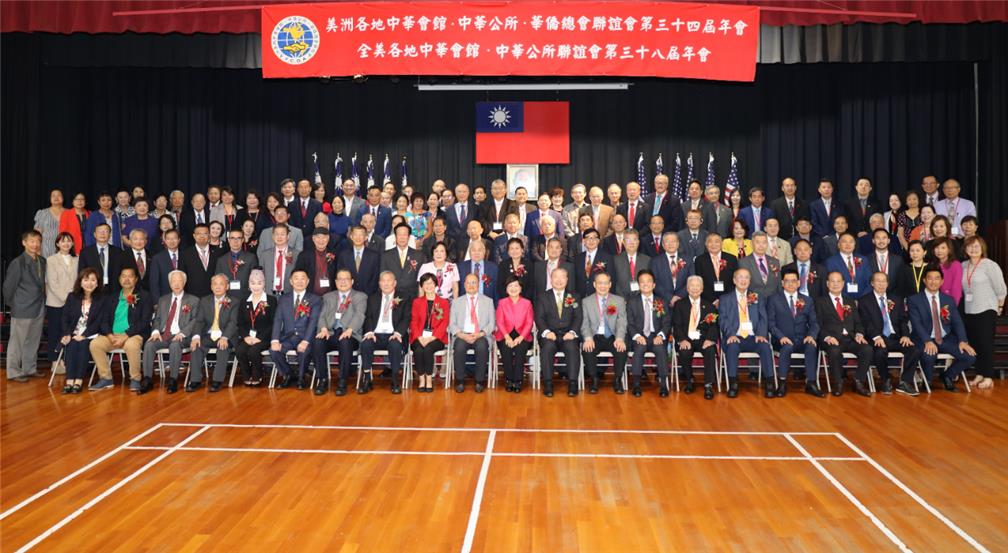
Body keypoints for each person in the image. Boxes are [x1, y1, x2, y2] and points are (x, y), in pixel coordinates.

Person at [907, 266, 977, 392]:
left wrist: (962, 340)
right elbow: (916, 324)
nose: (933, 282)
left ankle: (946, 376)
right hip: (924, 338)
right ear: (924, 280)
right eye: (930, 278)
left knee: (969, 356)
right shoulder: (914, 300)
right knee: (929, 356)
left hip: (945, 338)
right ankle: (927, 380)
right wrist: (927, 341)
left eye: (937, 279)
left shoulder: (948, 300)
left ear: (942, 281)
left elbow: (957, 322)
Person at [90, 266, 151, 391]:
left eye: (130, 276)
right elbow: (104, 320)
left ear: (135, 279)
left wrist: (126, 335)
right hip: (113, 335)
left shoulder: (144, 296)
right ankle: (106, 378)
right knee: (95, 344)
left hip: (133, 335)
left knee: (131, 345)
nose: (127, 279)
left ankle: (135, 379)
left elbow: (144, 321)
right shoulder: (111, 298)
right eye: (124, 276)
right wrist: (110, 335)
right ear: (119, 279)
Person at [139, 270, 201, 394]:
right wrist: (156, 331)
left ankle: (173, 379)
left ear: (184, 282)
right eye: (173, 281)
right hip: (164, 335)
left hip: (182, 336)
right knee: (149, 344)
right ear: (169, 283)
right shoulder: (163, 300)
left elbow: (195, 320)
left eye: (179, 281)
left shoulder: (193, 300)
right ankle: (147, 379)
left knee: (174, 345)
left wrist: (182, 333)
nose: (176, 284)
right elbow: (157, 319)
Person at [859, 272, 920, 396]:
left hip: (895, 337)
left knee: (914, 349)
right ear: (872, 283)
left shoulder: (896, 299)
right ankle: (885, 380)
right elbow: (866, 322)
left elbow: (903, 319)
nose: (881, 284)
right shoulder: (864, 300)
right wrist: (876, 336)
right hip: (877, 337)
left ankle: (905, 383)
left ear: (888, 284)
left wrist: (905, 335)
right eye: (878, 281)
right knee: (880, 351)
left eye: (884, 281)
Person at [718, 268, 774, 398]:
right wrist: (730, 334)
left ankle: (770, 383)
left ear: (750, 280)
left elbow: (763, 318)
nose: (743, 280)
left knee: (765, 347)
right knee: (732, 347)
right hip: (735, 336)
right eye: (740, 277)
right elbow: (722, 319)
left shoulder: (757, 297)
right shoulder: (725, 298)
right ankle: (733, 383)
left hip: (753, 336)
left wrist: (761, 334)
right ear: (734, 280)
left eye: (746, 277)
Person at [815, 271, 873, 396]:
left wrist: (859, 333)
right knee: (835, 351)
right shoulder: (820, 302)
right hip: (832, 339)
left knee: (867, 349)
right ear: (827, 284)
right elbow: (817, 324)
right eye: (832, 281)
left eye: (838, 281)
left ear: (843, 283)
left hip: (850, 339)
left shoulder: (849, 301)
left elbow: (858, 322)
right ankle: (838, 383)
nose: (835, 284)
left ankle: (858, 381)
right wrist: (827, 337)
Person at [767, 269, 822, 397]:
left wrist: (811, 335)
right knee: (787, 347)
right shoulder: (774, 299)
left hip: (802, 339)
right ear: (782, 283)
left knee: (812, 346)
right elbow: (771, 323)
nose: (790, 284)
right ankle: (782, 383)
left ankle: (811, 383)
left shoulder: (807, 300)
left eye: (793, 281)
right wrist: (781, 337)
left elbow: (814, 323)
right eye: (787, 281)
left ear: (798, 283)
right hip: (781, 340)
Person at [961, 236, 1006, 390]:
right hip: (969, 310)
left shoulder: (990, 265)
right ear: (965, 249)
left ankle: (988, 376)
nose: (973, 249)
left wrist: (999, 307)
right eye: (970, 246)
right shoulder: (963, 266)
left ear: (982, 248)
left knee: (986, 344)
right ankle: (979, 373)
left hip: (987, 309)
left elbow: (1001, 288)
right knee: (975, 344)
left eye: (977, 246)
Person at [4, 230, 47, 382]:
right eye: (32, 241)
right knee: (17, 342)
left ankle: (29, 368)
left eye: (38, 241)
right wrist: (14, 305)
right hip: (22, 308)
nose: (35, 244)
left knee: (33, 340)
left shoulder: (42, 261)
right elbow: (8, 288)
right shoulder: (18, 263)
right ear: (24, 243)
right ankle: (14, 371)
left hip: (39, 307)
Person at [270, 269, 323, 390]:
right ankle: (288, 374)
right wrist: (274, 340)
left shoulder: (315, 299)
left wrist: (306, 341)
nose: (299, 281)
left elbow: (313, 321)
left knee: (304, 351)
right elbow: (278, 320)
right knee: (274, 351)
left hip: (305, 337)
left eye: (303, 278)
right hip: (288, 337)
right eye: (296, 278)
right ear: (291, 281)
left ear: (308, 281)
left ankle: (301, 377)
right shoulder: (283, 299)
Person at [534, 267, 583, 397]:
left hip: (568, 334)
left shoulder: (574, 296)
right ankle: (548, 383)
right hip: (549, 334)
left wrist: (572, 332)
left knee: (572, 347)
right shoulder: (543, 296)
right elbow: (539, 317)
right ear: (551, 279)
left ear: (567, 279)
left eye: (562, 277)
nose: (559, 280)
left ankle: (573, 383)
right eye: (556, 277)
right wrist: (546, 331)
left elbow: (578, 317)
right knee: (548, 348)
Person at [358, 271, 410, 394]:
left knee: (395, 345)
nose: (386, 283)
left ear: (394, 283)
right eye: (383, 281)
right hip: (375, 334)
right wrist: (369, 331)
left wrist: (398, 333)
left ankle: (395, 380)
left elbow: (406, 318)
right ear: (379, 283)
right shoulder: (372, 297)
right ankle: (367, 379)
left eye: (389, 280)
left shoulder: (404, 297)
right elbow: (368, 317)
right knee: (366, 344)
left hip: (394, 334)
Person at [186, 274, 238, 393]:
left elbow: (233, 322)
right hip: (209, 335)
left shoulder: (234, 302)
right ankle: (195, 380)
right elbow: (199, 321)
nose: (218, 287)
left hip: (226, 335)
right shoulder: (205, 301)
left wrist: (225, 337)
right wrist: (196, 336)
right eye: (215, 284)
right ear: (211, 286)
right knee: (196, 346)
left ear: (227, 286)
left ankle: (217, 381)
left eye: (221, 284)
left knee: (222, 347)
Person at [58, 268, 105, 394]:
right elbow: (65, 318)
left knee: (83, 345)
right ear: (80, 282)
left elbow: (99, 322)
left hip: (91, 334)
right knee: (72, 345)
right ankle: (69, 380)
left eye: (93, 280)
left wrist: (84, 335)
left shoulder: (102, 299)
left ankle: (78, 381)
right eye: (86, 280)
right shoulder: (72, 297)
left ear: (97, 283)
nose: (89, 283)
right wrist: (67, 334)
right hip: (73, 333)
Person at [579, 272, 628, 395]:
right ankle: (594, 379)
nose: (603, 286)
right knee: (588, 349)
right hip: (595, 335)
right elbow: (584, 322)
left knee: (621, 349)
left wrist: (620, 338)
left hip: (612, 335)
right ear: (595, 284)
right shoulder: (586, 301)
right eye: (600, 283)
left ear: (610, 284)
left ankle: (617, 380)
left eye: (606, 283)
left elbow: (622, 321)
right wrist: (588, 338)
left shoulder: (619, 300)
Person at [670, 275, 718, 398]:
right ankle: (689, 380)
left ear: (702, 288)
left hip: (703, 339)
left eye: (698, 286)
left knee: (710, 350)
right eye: (692, 285)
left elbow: (714, 325)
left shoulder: (709, 306)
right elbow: (676, 325)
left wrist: (710, 339)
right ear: (687, 288)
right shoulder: (679, 304)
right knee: (685, 352)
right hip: (686, 338)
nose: (695, 288)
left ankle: (708, 385)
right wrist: (682, 340)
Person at [625, 270, 670, 397]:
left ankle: (663, 384)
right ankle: (636, 384)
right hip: (639, 336)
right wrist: (638, 336)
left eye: (649, 281)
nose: (645, 284)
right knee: (639, 349)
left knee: (661, 349)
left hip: (656, 336)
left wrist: (660, 335)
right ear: (638, 285)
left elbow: (666, 322)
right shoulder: (632, 302)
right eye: (642, 282)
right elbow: (630, 323)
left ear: (654, 285)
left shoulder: (661, 301)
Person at [448, 273, 496, 393]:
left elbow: (492, 323)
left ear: (478, 284)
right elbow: (452, 324)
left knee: (481, 346)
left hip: (480, 334)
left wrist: (480, 334)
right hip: (462, 334)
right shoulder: (456, 302)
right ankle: (459, 380)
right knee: (459, 346)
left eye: (474, 282)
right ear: (464, 285)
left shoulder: (488, 301)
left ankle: (479, 381)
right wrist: (462, 335)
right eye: (468, 282)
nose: (471, 285)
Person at [234, 269, 277, 387]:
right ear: (249, 284)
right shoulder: (244, 301)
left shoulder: (271, 300)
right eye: (253, 283)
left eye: (259, 283)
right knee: (240, 350)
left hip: (264, 337)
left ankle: (257, 375)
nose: (256, 286)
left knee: (253, 351)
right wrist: (246, 337)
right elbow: (240, 323)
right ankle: (247, 375)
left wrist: (260, 338)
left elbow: (273, 323)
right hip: (248, 337)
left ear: (264, 284)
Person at [408, 274, 450, 393]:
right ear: (422, 286)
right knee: (418, 350)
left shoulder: (443, 302)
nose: (429, 285)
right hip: (419, 336)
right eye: (426, 283)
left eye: (431, 283)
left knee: (427, 350)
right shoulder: (417, 302)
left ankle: (429, 379)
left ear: (436, 284)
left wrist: (432, 337)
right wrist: (419, 337)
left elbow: (444, 322)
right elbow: (414, 321)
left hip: (437, 337)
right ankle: (421, 379)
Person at [495, 275, 534, 393]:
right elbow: (499, 321)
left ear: (521, 288)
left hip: (523, 335)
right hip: (504, 334)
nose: (513, 288)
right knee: (506, 350)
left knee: (520, 349)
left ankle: (518, 380)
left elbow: (529, 323)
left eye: (516, 285)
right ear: (506, 289)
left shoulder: (527, 303)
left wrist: (520, 337)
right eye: (510, 286)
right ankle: (509, 379)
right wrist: (507, 336)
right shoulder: (502, 303)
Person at [45, 232, 78, 370]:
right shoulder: (51, 260)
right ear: (57, 244)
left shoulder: (77, 259)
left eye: (69, 241)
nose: (66, 244)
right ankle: (54, 361)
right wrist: (66, 299)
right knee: (55, 331)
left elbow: (79, 281)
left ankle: (67, 359)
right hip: (56, 303)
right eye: (63, 241)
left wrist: (73, 300)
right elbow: (52, 283)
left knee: (69, 332)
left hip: (74, 303)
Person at [380, 223, 426, 299]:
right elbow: (382, 276)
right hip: (392, 296)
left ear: (409, 237)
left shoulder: (419, 256)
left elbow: (422, 279)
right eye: (399, 235)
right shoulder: (386, 255)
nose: (402, 238)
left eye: (404, 235)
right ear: (395, 236)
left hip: (412, 296)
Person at [294, 228, 338, 298]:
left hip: (331, 296)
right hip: (310, 296)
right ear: (313, 239)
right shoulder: (304, 255)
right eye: (318, 237)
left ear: (328, 239)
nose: (321, 240)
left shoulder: (335, 254)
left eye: (324, 237)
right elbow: (298, 274)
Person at [694, 234, 738, 304]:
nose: (713, 244)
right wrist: (713, 300)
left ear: (721, 243)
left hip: (729, 299)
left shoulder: (731, 259)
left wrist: (725, 298)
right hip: (707, 300)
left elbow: (734, 281)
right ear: (706, 244)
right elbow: (700, 282)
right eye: (710, 242)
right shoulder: (700, 260)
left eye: (717, 241)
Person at [337, 225, 381, 295]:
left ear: (366, 237)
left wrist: (367, 293)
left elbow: (375, 277)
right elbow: (340, 275)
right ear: (351, 236)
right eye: (355, 235)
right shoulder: (343, 255)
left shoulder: (374, 256)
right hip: (348, 294)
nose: (358, 238)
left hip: (368, 295)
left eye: (361, 235)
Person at [824, 233, 870, 300]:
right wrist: (848, 301)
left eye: (851, 242)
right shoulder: (831, 262)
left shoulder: (863, 260)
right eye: (844, 241)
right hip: (842, 300)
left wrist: (862, 299)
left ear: (854, 245)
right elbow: (832, 284)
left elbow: (869, 281)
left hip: (863, 300)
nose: (848, 244)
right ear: (838, 245)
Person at [573, 228, 615, 298]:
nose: (591, 241)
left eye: (594, 238)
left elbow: (612, 279)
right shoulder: (577, 258)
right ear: (583, 241)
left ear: (598, 241)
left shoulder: (607, 258)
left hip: (600, 296)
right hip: (580, 297)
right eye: (588, 238)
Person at [739, 232, 781, 300]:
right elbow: (742, 286)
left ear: (767, 244)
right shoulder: (743, 262)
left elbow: (779, 285)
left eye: (764, 242)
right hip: (753, 302)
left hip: (773, 302)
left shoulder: (775, 261)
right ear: (751, 244)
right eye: (758, 242)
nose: (761, 246)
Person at [179, 224, 216, 298]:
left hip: (214, 295)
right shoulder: (185, 254)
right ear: (194, 236)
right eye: (198, 234)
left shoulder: (217, 252)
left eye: (205, 233)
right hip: (192, 297)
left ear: (209, 235)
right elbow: (182, 277)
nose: (202, 236)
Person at [867, 228, 906, 297]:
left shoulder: (898, 260)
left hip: (894, 298)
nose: (881, 241)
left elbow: (901, 283)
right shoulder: (866, 260)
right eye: (878, 238)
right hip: (872, 298)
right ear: (873, 241)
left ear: (888, 240)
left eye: (884, 238)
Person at [611, 229, 650, 298]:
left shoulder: (647, 260)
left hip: (642, 299)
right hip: (621, 299)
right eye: (628, 240)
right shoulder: (615, 260)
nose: (632, 243)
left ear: (638, 242)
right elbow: (614, 282)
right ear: (623, 242)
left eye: (634, 240)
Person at [35, 189, 65, 257]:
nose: (56, 198)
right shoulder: (43, 213)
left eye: (59, 195)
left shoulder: (69, 213)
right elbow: (37, 233)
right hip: (46, 250)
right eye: (53, 196)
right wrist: (37, 249)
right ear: (50, 199)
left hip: (65, 249)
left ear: (63, 198)